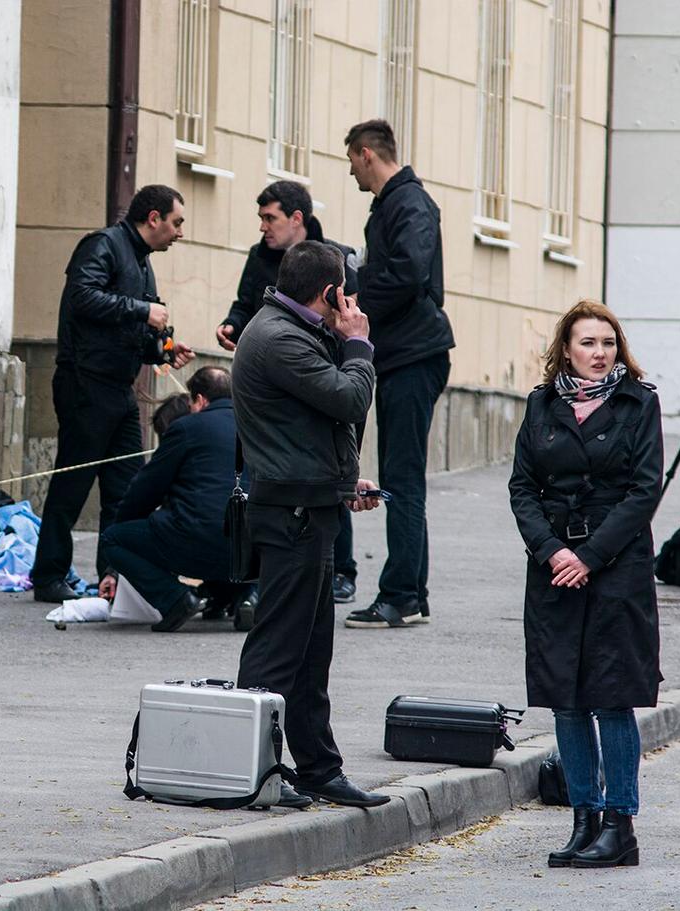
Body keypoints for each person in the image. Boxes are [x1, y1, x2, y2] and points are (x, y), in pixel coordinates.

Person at [232, 240, 389, 810]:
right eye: (344, 290)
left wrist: (345, 485)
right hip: (291, 513)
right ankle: (253, 773)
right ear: (329, 292)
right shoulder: (280, 338)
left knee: (309, 652)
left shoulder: (292, 329)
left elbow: (316, 424)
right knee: (279, 651)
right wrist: (359, 345)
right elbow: (349, 399)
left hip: (307, 503)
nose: (348, 300)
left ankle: (317, 769)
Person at [508, 300, 663, 869]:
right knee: (565, 700)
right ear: (565, 349)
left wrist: (590, 556)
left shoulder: (638, 403)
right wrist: (551, 550)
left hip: (615, 565)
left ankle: (620, 827)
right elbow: (522, 487)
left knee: (611, 697)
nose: (599, 355)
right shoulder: (541, 405)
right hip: (553, 564)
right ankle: (584, 819)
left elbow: (645, 491)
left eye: (607, 343)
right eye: (587, 344)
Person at [31, 185, 196, 603]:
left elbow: (131, 332)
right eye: (176, 223)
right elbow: (83, 298)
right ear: (154, 218)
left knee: (125, 490)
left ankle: (115, 575)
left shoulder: (142, 262)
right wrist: (143, 311)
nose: (179, 233)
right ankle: (48, 574)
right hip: (86, 383)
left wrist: (163, 350)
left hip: (120, 388)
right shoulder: (103, 245)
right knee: (73, 484)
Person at [215, 180, 365, 606]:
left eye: (270, 218)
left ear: (296, 219)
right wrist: (232, 323)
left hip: (315, 371)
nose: (264, 228)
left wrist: (351, 344)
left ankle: (340, 569)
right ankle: (267, 579)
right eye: (261, 219)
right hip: (279, 374)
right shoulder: (261, 261)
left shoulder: (334, 260)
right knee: (300, 475)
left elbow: (343, 322)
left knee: (332, 468)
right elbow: (248, 303)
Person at [341, 119, 454, 629]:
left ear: (366, 154)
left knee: (402, 479)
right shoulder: (396, 204)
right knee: (403, 475)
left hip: (414, 353)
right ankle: (413, 590)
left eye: (351, 161)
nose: (351, 173)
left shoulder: (409, 203)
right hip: (406, 352)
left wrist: (359, 297)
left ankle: (401, 594)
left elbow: (408, 272)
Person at [97, 367, 243, 631]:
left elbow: (144, 490)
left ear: (199, 400)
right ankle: (248, 596)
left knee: (114, 538)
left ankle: (176, 599)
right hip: (255, 545)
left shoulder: (188, 427)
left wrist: (115, 564)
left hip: (196, 540)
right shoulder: (261, 426)